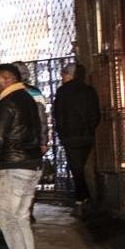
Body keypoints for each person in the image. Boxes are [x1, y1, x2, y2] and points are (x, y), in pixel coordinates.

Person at [0, 63, 46, 249]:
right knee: (21, 218)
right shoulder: (30, 99)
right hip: (32, 165)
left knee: (7, 218)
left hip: (13, 165)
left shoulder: (7, 103)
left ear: (6, 79)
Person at [52, 63, 102, 208]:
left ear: (69, 75)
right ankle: (83, 196)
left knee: (76, 167)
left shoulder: (62, 92)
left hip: (70, 136)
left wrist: (61, 132)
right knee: (78, 166)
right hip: (87, 135)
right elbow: (95, 114)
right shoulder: (89, 90)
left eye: (64, 74)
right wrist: (90, 128)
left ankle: (83, 197)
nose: (62, 77)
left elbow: (58, 114)